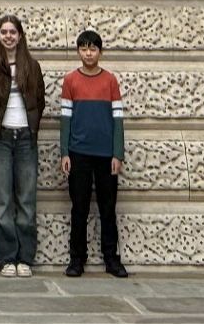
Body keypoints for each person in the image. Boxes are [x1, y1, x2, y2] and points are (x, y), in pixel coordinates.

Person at [0, 14, 43, 277]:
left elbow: (39, 99)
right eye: (3, 32)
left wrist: (31, 128)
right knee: (2, 201)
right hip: (0, 140)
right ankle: (7, 258)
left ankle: (25, 258)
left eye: (12, 32)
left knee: (26, 201)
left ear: (20, 36)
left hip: (26, 138)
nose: (8, 36)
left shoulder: (32, 66)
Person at [59, 30, 127, 278]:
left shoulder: (110, 81)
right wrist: (64, 152)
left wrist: (117, 153)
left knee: (108, 208)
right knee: (80, 208)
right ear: (78, 51)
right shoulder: (70, 81)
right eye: (84, 48)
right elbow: (65, 119)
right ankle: (77, 259)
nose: (88, 53)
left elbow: (118, 120)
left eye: (93, 49)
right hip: (78, 154)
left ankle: (112, 259)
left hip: (106, 155)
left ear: (100, 51)